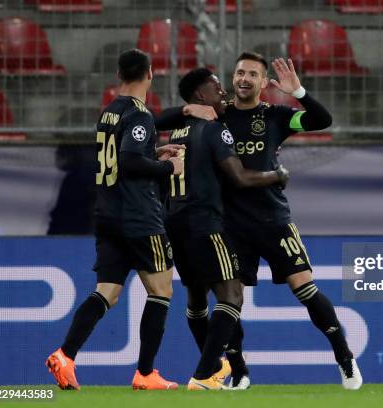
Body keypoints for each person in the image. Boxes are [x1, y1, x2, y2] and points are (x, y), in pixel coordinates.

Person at [45, 49, 184, 391]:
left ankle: (65, 355)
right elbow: (131, 162)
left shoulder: (108, 113)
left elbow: (123, 159)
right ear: (150, 73)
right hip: (138, 216)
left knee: (107, 292)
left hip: (107, 214)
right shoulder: (141, 114)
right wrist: (169, 166)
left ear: (120, 75)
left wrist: (154, 154)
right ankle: (146, 373)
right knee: (162, 290)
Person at [155, 68, 290, 390]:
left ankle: (215, 367)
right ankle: (204, 376)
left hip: (176, 222)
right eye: (216, 88)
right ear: (201, 96)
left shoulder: (176, 133)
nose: (223, 93)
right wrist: (277, 175)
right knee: (231, 295)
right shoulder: (214, 131)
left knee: (196, 299)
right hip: (205, 222)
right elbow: (240, 178)